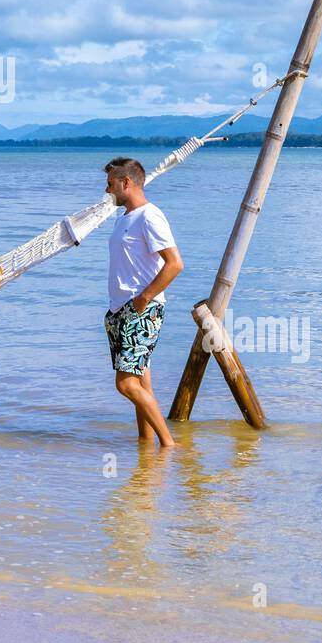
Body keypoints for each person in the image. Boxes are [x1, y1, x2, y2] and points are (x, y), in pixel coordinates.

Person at [102, 158, 184, 447]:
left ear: (127, 183)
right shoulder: (124, 217)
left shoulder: (150, 216)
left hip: (141, 310)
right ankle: (145, 447)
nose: (106, 189)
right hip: (119, 310)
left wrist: (145, 299)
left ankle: (168, 445)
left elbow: (174, 264)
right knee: (140, 384)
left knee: (125, 384)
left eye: (111, 183)